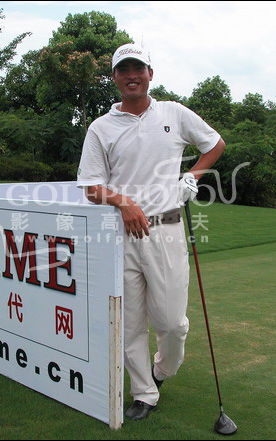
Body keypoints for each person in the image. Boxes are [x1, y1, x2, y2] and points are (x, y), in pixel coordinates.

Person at [76, 43, 226, 421]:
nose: (132, 75)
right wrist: (123, 203)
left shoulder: (173, 113)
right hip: (120, 235)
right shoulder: (101, 127)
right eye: (124, 69)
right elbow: (91, 187)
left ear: (150, 74)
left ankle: (162, 370)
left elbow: (215, 144)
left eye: (138, 68)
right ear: (114, 77)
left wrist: (192, 177)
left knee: (172, 323)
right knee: (129, 324)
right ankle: (144, 392)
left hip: (166, 230)